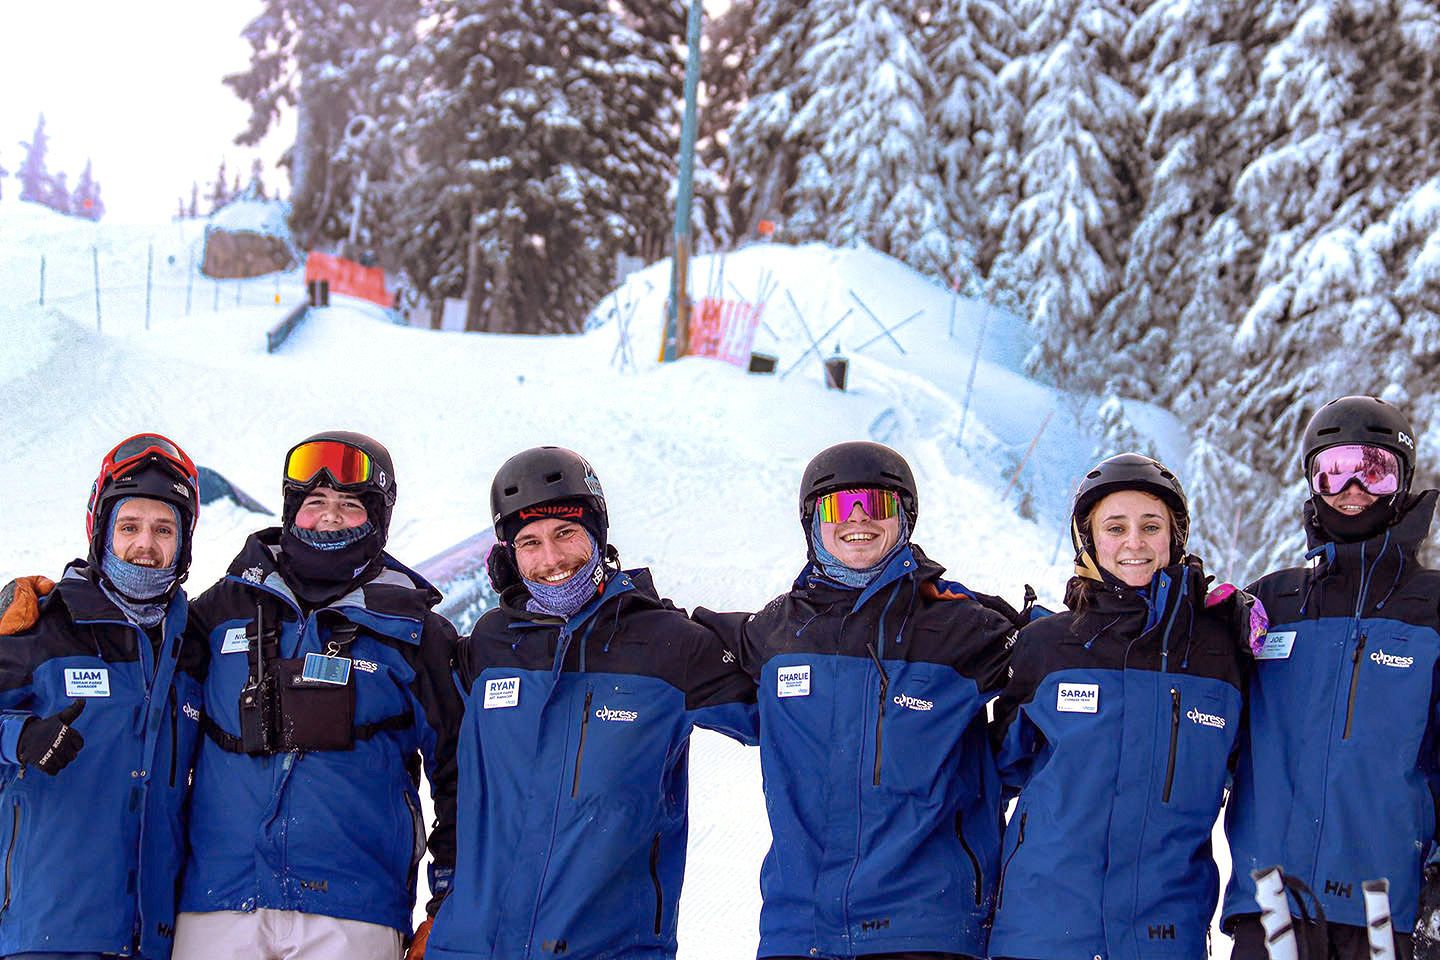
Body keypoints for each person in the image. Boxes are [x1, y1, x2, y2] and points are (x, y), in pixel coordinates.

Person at [424, 446, 757, 960]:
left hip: (606, 948)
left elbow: (792, 713)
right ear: (509, 554)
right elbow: (442, 765)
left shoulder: (667, 645)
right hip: (470, 947)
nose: (551, 559)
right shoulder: (490, 644)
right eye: (530, 542)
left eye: (566, 533)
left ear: (597, 534)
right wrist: (440, 905)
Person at [694, 440, 1020, 960]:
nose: (858, 518)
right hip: (800, 931)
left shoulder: (962, 626)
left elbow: (1068, 658)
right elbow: (672, 655)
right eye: (840, 506)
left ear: (905, 517)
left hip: (929, 929)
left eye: (876, 503)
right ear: (813, 523)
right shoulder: (778, 632)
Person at [170, 431, 462, 960]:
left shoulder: (416, 632)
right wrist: (54, 616)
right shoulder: (220, 611)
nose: (329, 517)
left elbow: (462, 776)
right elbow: (133, 673)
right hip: (218, 903)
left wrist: (448, 902)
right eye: (315, 501)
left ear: (378, 519)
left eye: (349, 505)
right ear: (291, 510)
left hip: (353, 912)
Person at [988, 453, 1257, 960]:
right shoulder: (1047, 647)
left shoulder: (1219, 655)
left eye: (1150, 526)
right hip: (1041, 933)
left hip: (1164, 937)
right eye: (1115, 528)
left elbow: (1261, 774)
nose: (1134, 542)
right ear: (1088, 540)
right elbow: (991, 775)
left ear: (1175, 537)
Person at [1224, 396, 1440, 960]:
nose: (1353, 488)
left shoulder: (1433, 609)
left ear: (1402, 482)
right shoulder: (1272, 603)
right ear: (1313, 483)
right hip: (1270, 910)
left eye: (1374, 470)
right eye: (1333, 470)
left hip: (1385, 914)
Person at [0, 433, 204, 960]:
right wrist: (19, 737)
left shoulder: (194, 646)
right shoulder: (39, 626)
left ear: (184, 543)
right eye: (129, 526)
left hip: (154, 940)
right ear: (100, 531)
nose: (145, 545)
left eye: (164, 529)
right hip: (46, 932)